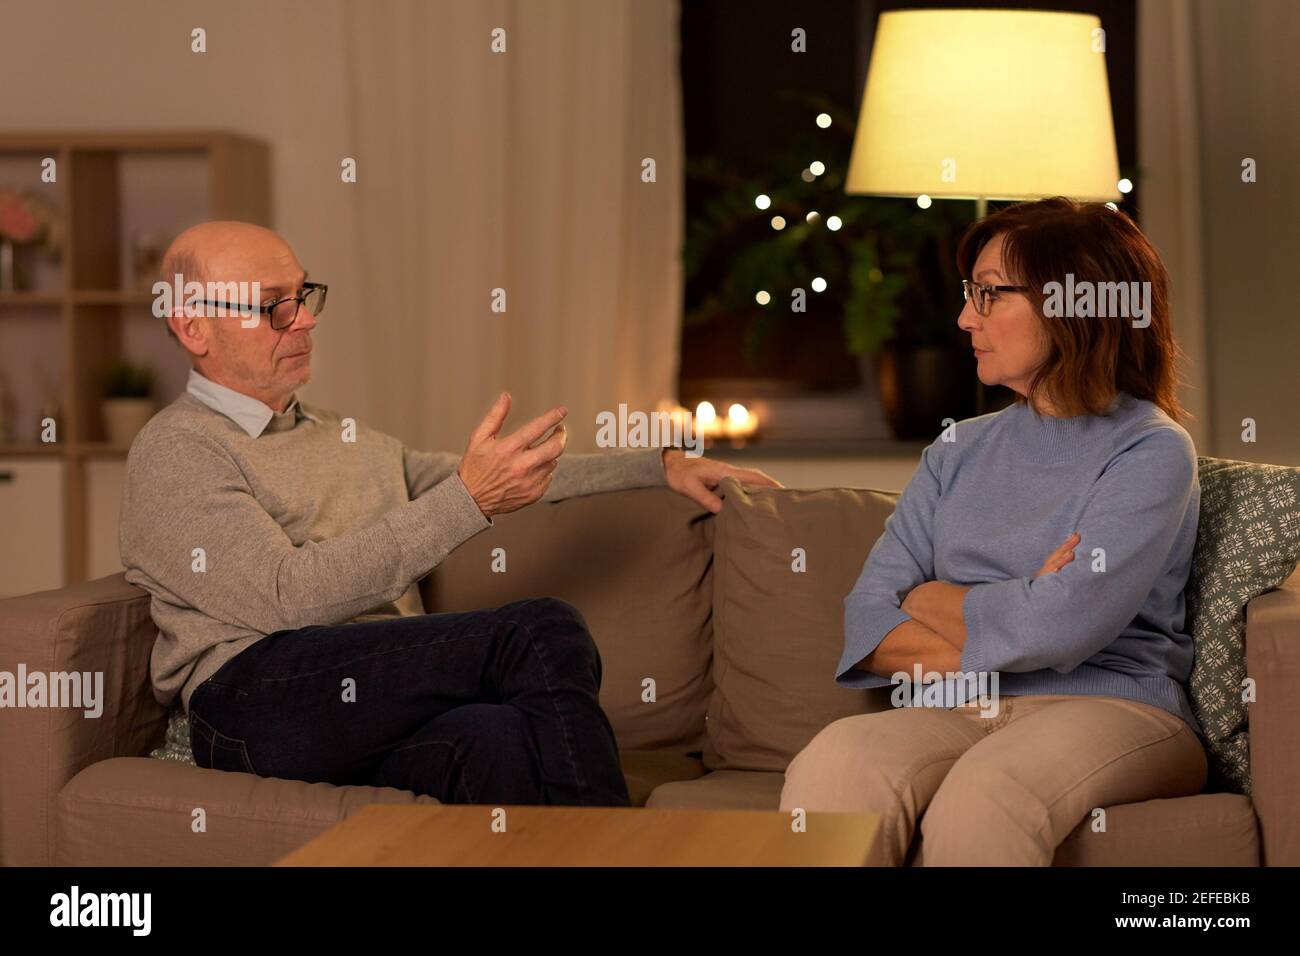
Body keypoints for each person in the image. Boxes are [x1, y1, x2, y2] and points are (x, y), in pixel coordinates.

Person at [120, 221, 777, 807]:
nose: (306, 321)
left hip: (352, 703)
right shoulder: (179, 449)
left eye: (304, 295)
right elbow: (287, 598)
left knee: (496, 738)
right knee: (539, 630)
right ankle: (618, 857)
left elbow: (497, 478)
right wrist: (468, 500)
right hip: (249, 700)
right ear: (192, 326)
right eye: (273, 307)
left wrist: (657, 465)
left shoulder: (339, 435)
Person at [780, 198, 1206, 865]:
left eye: (988, 294)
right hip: (957, 702)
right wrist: (1018, 613)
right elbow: (867, 621)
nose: (964, 318)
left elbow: (1062, 627)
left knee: (985, 797)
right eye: (967, 293)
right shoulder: (956, 449)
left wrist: (929, 599)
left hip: (1115, 706)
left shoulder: (1150, 451)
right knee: (832, 764)